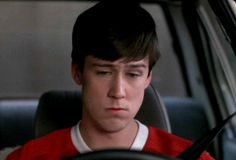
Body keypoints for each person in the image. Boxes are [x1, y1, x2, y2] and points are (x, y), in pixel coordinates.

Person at [7, 1, 214, 159]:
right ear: (77, 72)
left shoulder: (190, 157)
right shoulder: (30, 157)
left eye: (133, 74)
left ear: (148, 78)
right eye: (103, 72)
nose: (118, 92)